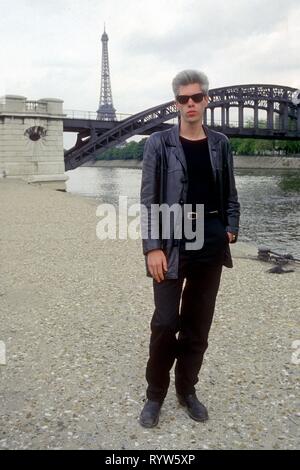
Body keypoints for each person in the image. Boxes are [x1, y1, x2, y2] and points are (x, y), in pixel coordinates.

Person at [139, 70, 240, 428]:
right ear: (175, 104)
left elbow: (229, 191)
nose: (191, 104)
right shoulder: (158, 144)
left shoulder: (220, 143)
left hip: (210, 243)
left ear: (207, 100)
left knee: (198, 326)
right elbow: (149, 200)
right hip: (170, 243)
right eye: (184, 99)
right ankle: (155, 395)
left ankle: (187, 389)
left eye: (197, 97)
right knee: (165, 322)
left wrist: (230, 228)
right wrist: (152, 247)